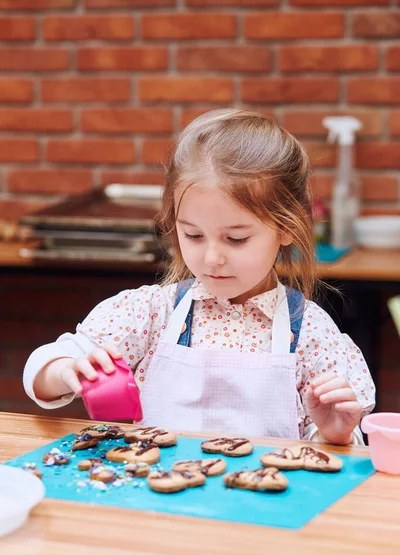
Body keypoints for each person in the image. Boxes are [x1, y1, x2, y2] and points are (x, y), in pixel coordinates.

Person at [23, 108, 375, 444]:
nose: (211, 258)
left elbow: (333, 450)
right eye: (192, 235)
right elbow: (39, 372)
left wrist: (335, 433)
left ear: (286, 228)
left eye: (236, 239)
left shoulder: (313, 334)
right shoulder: (150, 313)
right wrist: (65, 370)